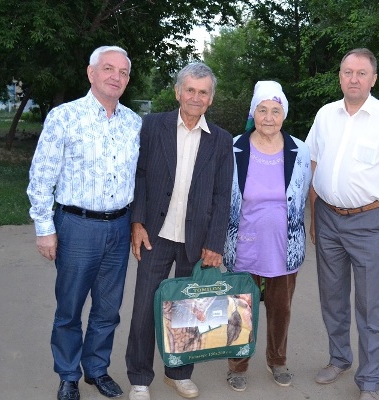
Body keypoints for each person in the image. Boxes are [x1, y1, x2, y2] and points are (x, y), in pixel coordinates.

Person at [27, 45, 141, 400]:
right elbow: (42, 175)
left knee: (108, 308)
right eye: (108, 68)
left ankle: (96, 369)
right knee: (70, 307)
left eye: (123, 72)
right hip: (76, 226)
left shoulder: (134, 123)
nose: (116, 77)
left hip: (119, 227)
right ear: (91, 73)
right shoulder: (64, 117)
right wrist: (45, 228)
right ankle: (67, 375)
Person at [305, 48, 379, 400]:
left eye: (361, 73)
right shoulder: (325, 115)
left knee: (370, 305)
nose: (354, 78)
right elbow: (312, 166)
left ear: (373, 79)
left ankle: (369, 380)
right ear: (339, 76)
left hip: (369, 222)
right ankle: (339, 358)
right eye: (348, 72)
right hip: (327, 219)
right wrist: (312, 216)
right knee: (332, 297)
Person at [124, 62, 234, 400]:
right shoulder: (152, 126)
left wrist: (216, 242)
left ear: (210, 99)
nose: (196, 97)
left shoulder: (221, 141)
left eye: (203, 92)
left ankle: (179, 373)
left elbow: (221, 195)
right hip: (155, 235)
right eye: (190, 90)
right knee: (144, 307)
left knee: (189, 311)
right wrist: (137, 222)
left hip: (197, 242)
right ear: (178, 92)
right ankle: (140, 377)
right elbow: (139, 175)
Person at [223, 81, 312, 392]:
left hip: (284, 247)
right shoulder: (234, 147)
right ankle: (238, 365)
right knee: (240, 308)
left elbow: (307, 191)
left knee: (280, 309)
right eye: (263, 110)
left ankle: (278, 360)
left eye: (276, 111)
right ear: (253, 113)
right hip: (243, 244)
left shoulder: (299, 150)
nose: (269, 117)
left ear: (284, 114)